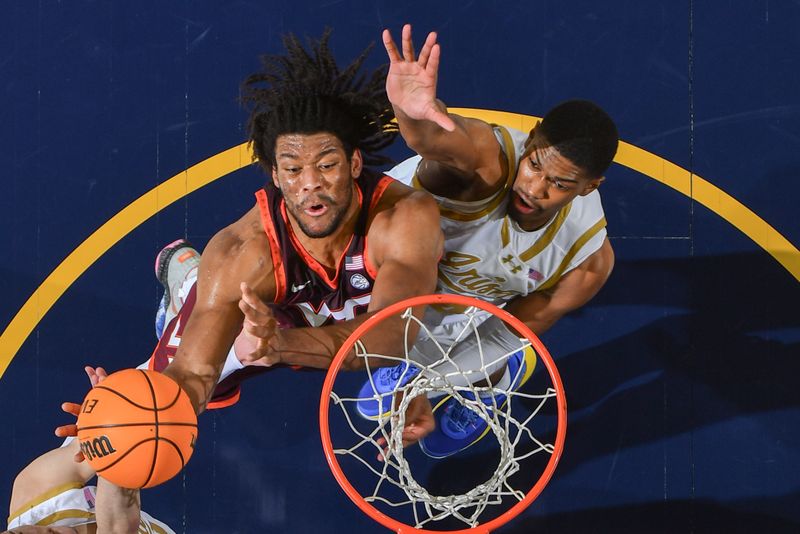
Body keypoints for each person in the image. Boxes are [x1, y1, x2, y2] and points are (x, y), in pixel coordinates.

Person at [126, 30, 443, 451]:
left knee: (436, 318)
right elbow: (192, 378)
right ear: (275, 176)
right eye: (292, 171)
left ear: (354, 163)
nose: (310, 183)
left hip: (318, 326)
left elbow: (389, 337)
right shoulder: (244, 252)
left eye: (326, 164)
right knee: (194, 381)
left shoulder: (403, 217)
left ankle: (206, 296)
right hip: (266, 314)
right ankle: (188, 282)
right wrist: (120, 426)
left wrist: (281, 346)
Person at [356, 25, 619, 458]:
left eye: (560, 184)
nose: (535, 188)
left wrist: (426, 382)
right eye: (534, 165)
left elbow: (510, 330)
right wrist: (411, 112)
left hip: (467, 299)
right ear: (530, 140)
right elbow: (437, 139)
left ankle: (494, 382)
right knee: (365, 346)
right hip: (390, 251)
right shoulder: (486, 162)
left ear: (590, 187)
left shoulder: (587, 261)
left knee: (482, 348)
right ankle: (410, 355)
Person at [6, 367, 173, 534]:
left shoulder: (31, 492)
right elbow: (118, 526)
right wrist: (120, 434)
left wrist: (108, 410)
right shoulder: (116, 527)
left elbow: (93, 448)